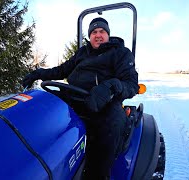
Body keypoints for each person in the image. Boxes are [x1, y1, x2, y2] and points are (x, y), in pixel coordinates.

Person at [22, 17, 139, 179]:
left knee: (114, 123)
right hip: (74, 96)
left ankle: (98, 174)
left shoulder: (120, 53)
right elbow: (62, 70)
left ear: (108, 34)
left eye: (102, 31)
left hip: (104, 102)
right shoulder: (83, 52)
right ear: (89, 36)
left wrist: (111, 86)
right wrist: (39, 73)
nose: (98, 35)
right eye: (94, 32)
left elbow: (131, 84)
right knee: (40, 106)